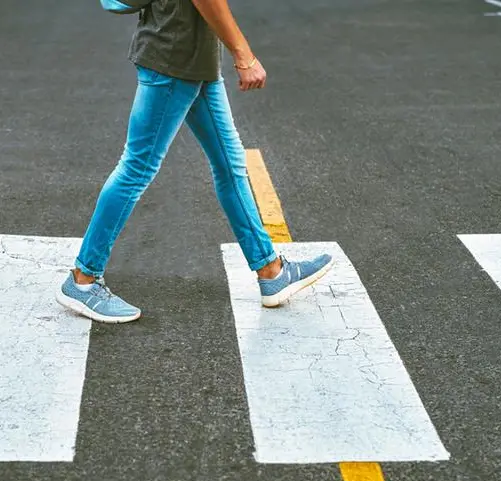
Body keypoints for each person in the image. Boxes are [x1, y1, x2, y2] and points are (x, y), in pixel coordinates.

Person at [56, 0, 333, 323]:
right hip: (173, 60)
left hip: (196, 60)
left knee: (230, 165)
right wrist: (243, 53)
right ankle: (84, 278)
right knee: (136, 169)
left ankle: (271, 271)